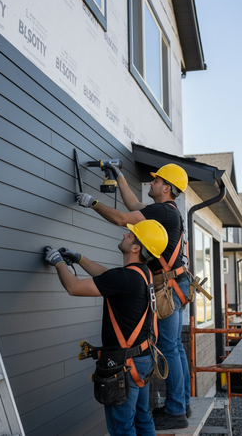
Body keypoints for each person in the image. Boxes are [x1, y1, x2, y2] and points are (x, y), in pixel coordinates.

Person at [76, 163, 191, 430]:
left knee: (170, 348)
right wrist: (121, 178)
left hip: (170, 285)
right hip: (175, 283)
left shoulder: (163, 211)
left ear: (167, 187)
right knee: (175, 347)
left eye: (156, 180)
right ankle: (180, 404)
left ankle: (176, 410)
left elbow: (121, 218)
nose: (151, 183)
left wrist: (92, 203)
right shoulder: (165, 211)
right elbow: (135, 205)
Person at [44, 219, 168, 436]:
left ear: (136, 247)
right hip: (143, 357)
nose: (124, 236)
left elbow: (73, 287)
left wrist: (59, 263)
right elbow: (107, 276)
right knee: (142, 418)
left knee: (122, 427)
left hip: (126, 363)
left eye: (129, 235)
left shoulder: (126, 277)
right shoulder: (142, 274)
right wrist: (80, 259)